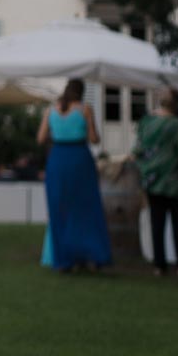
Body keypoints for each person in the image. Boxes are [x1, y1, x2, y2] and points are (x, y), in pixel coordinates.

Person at [37, 79, 111, 271]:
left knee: (59, 208)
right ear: (82, 92)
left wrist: (60, 132)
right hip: (79, 159)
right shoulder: (85, 109)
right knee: (86, 208)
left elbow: (40, 138)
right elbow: (94, 139)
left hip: (58, 160)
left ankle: (63, 259)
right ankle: (90, 255)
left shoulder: (51, 110)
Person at [136, 89, 178, 276]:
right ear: (176, 104)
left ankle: (159, 265)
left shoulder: (146, 122)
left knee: (157, 223)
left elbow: (138, 150)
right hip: (174, 180)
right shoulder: (177, 125)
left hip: (152, 179)